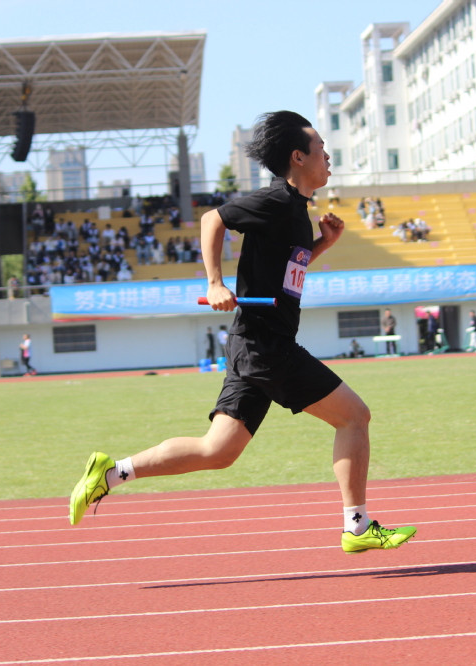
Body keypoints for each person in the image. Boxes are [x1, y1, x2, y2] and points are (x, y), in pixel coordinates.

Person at [69, 110, 416, 553]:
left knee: (219, 451)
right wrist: (214, 282)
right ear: (298, 157)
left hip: (255, 345)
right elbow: (212, 220)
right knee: (355, 416)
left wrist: (320, 246)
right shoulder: (275, 202)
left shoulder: (296, 212)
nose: (328, 157)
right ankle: (357, 525)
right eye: (322, 150)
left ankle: (110, 472)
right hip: (266, 346)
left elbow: (283, 271)